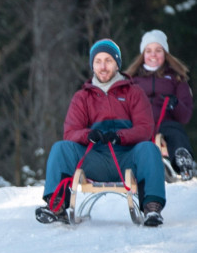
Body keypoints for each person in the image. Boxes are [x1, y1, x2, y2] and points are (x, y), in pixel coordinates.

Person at [35, 39, 166, 227]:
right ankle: (56, 205)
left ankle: (152, 207)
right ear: (92, 65)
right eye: (98, 61)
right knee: (61, 148)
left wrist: (120, 136)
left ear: (117, 64)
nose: (103, 66)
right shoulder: (83, 97)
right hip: (94, 158)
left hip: (127, 158)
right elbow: (70, 132)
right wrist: (87, 135)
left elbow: (145, 129)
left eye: (108, 61)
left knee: (149, 148)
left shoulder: (134, 93)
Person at [124, 29, 194, 179]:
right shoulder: (131, 80)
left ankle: (183, 161)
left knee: (175, 132)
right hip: (139, 122)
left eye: (158, 50)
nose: (153, 55)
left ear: (165, 54)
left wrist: (175, 104)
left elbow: (185, 116)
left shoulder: (177, 78)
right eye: (148, 51)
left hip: (165, 121)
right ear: (143, 54)